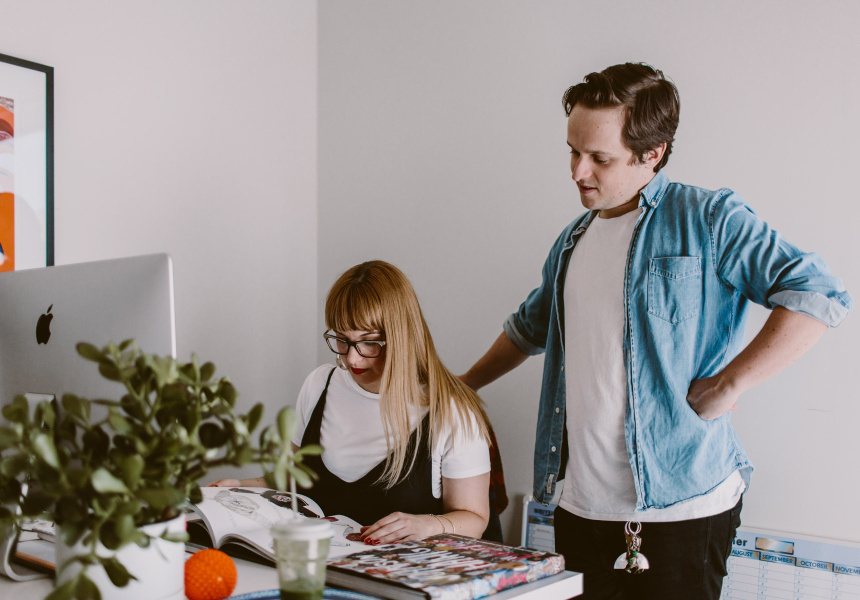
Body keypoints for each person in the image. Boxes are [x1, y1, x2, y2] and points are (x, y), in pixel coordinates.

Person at [460, 63, 851, 599]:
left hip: (684, 510)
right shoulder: (571, 241)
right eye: (573, 151)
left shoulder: (709, 218)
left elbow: (818, 293)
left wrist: (731, 383)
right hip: (581, 509)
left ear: (653, 152)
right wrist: (460, 387)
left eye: (599, 158)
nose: (577, 171)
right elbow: (530, 326)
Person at [210, 260, 493, 544]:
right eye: (341, 339)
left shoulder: (453, 412)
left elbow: (475, 519)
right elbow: (292, 480)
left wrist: (428, 525)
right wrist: (240, 486)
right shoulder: (319, 385)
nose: (352, 358)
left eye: (369, 342)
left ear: (402, 337)